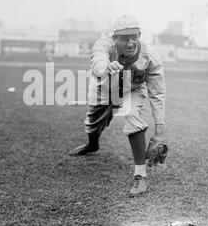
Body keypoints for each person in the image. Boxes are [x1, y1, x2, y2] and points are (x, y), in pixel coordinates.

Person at [68, 15, 166, 195]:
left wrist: (159, 133)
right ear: (114, 39)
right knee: (93, 124)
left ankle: (140, 175)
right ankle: (92, 144)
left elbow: (157, 94)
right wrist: (105, 67)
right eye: (124, 38)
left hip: (132, 89)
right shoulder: (103, 44)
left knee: (132, 116)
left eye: (134, 37)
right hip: (104, 88)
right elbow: (98, 60)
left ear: (140, 36)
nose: (130, 43)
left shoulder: (150, 57)